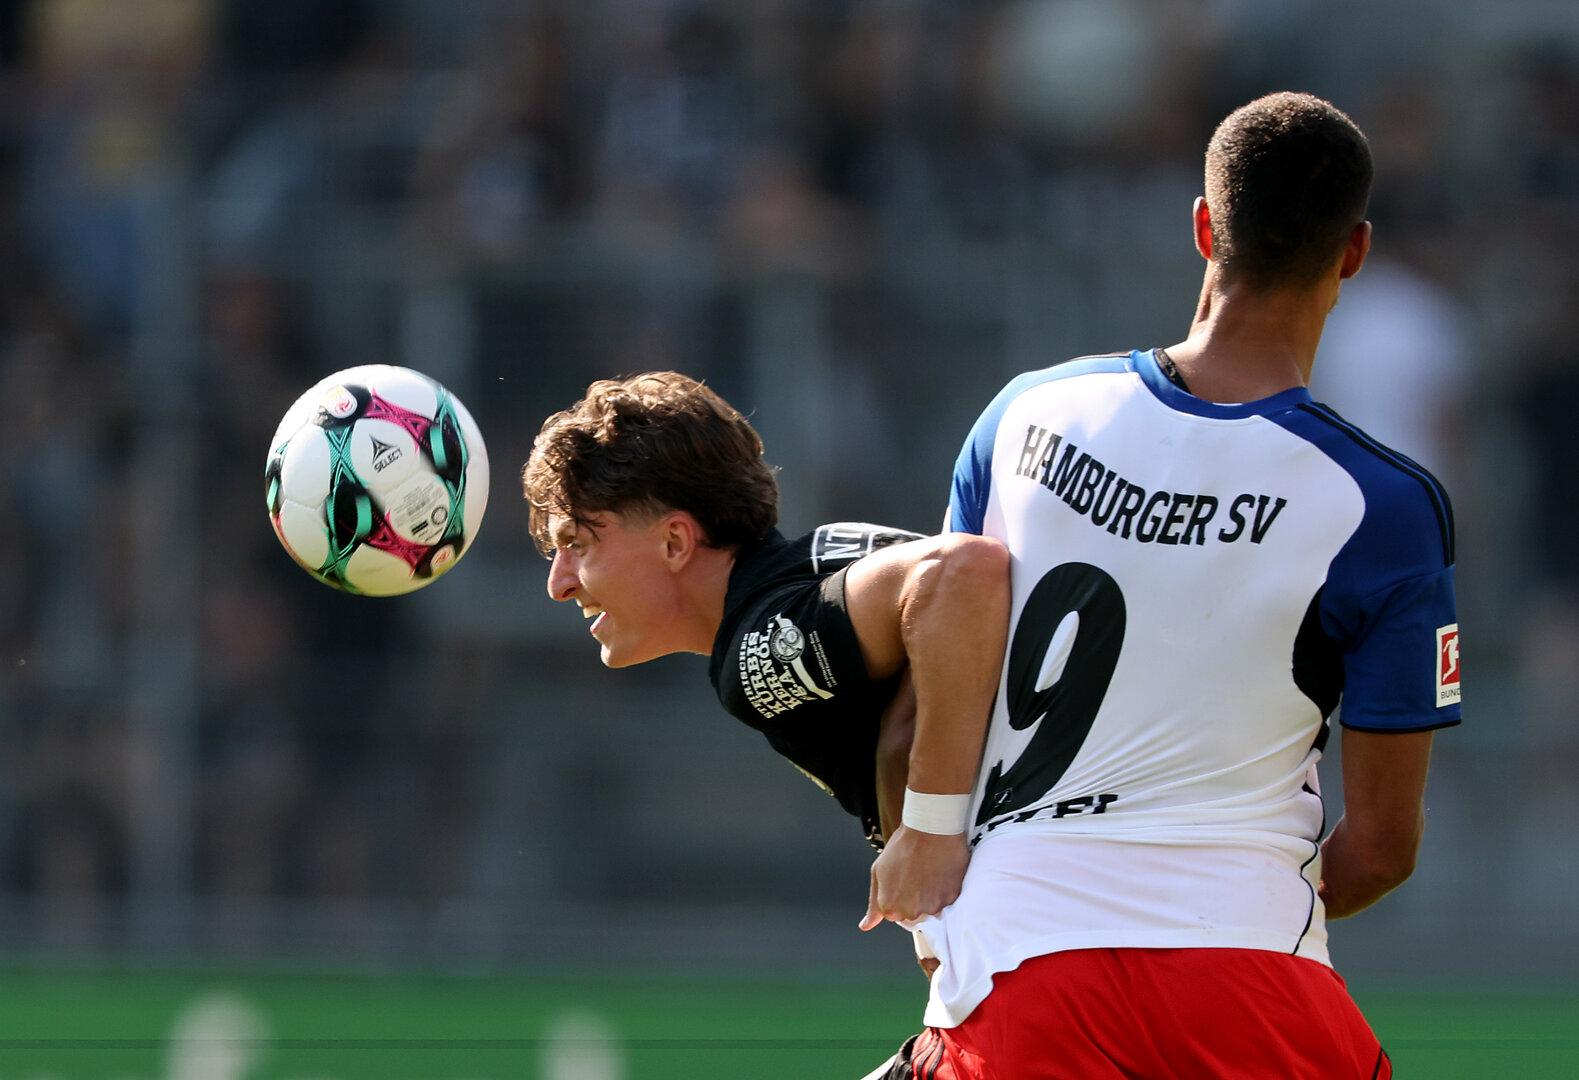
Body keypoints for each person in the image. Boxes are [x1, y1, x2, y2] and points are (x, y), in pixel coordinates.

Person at [873, 92, 1461, 1079]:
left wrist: (948, 916)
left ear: (1202, 225)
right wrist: (1224, 910)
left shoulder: (1026, 414)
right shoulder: (1383, 505)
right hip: (1254, 983)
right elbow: (1383, 847)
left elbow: (910, 728)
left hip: (1019, 971)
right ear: (1353, 253)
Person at [521, 370, 1010, 928]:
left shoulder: (757, 653)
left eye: (577, 545)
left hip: (1064, 903)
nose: (558, 583)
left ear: (675, 542)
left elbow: (963, 573)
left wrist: (928, 831)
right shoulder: (817, 563)